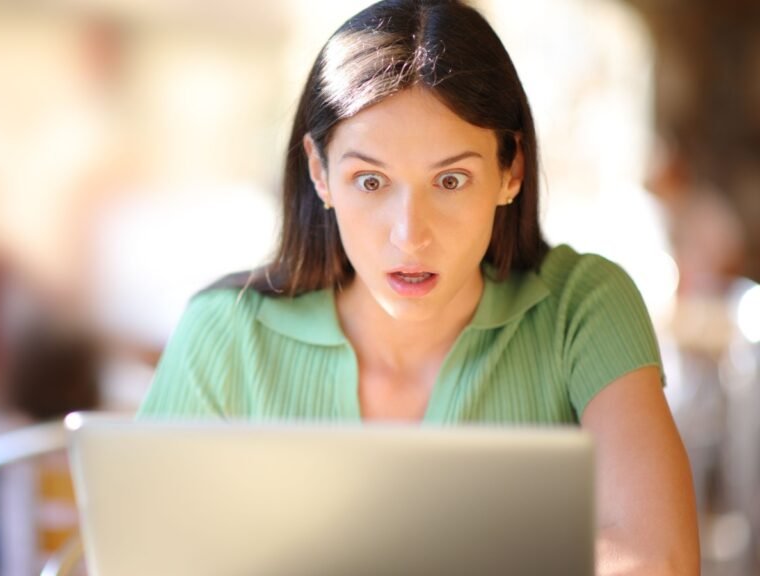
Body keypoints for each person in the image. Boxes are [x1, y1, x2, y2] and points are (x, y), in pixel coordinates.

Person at [137, 0, 699, 573]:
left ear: (512, 172)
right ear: (319, 172)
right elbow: (139, 559)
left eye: (451, 180)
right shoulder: (225, 333)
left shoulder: (583, 307)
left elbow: (660, 559)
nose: (409, 236)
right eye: (371, 180)